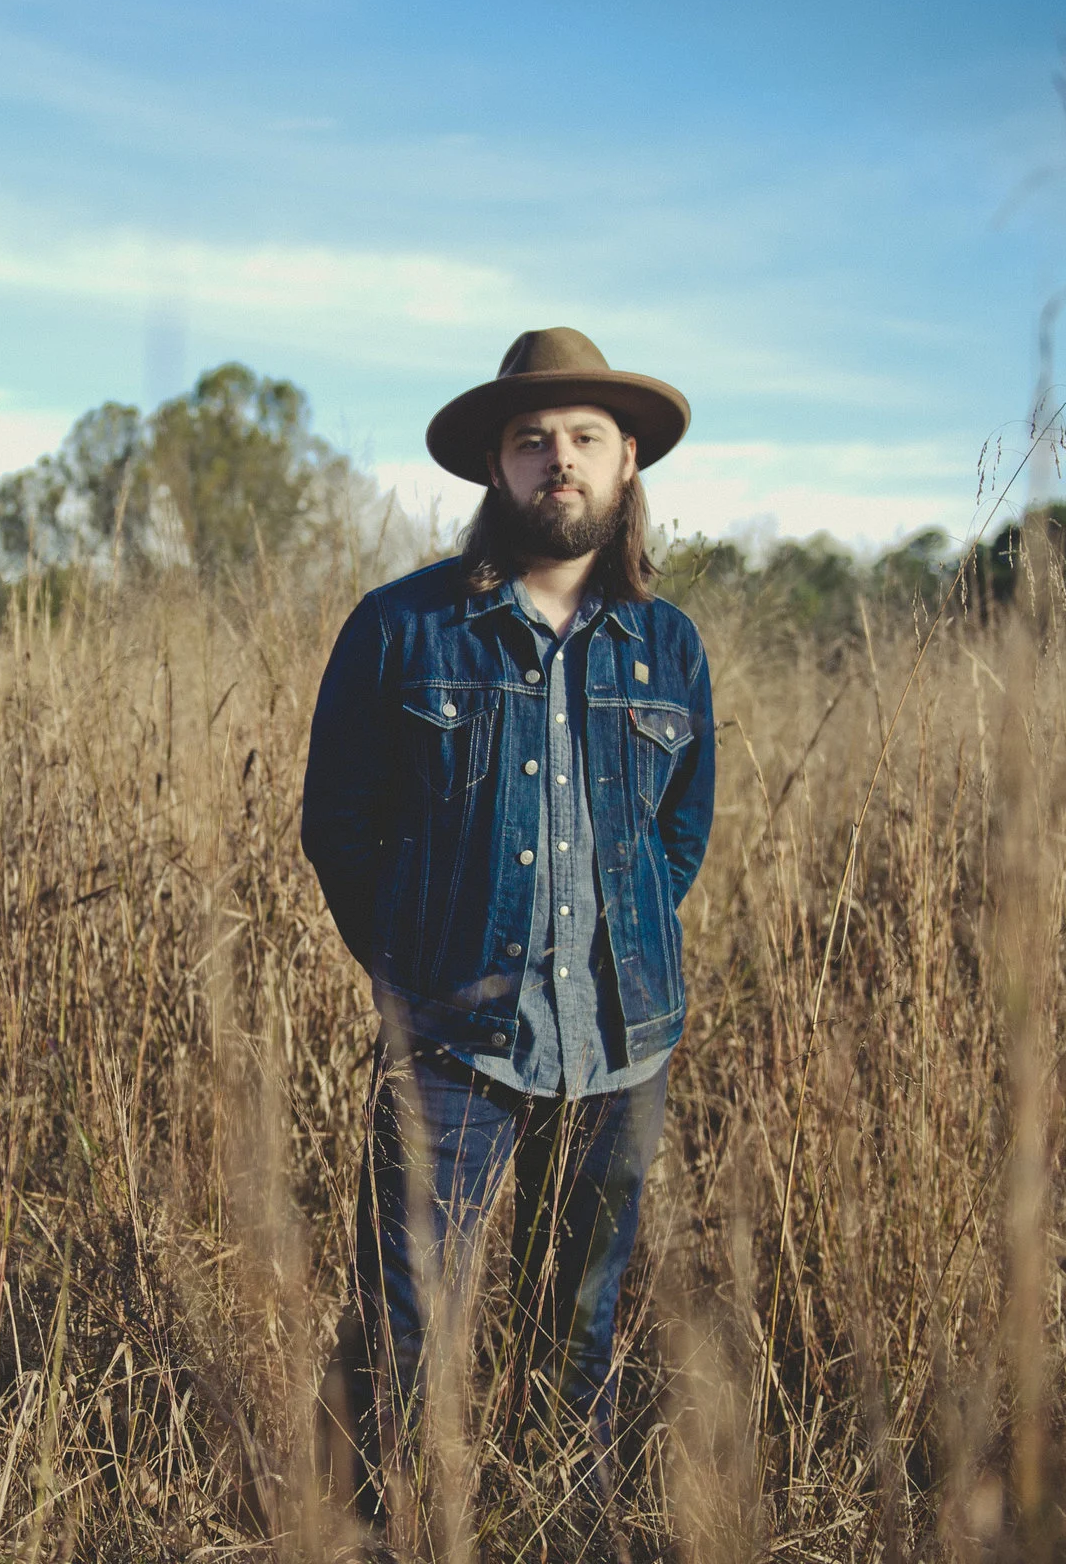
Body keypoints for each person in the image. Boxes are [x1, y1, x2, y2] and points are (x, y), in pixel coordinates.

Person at [300, 326, 715, 1523]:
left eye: (585, 437)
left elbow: (676, 835)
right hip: (451, 1043)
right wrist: (421, 966)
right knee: (403, 1326)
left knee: (575, 1333)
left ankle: (555, 1529)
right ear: (497, 464)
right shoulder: (400, 629)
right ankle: (382, 1534)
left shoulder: (667, 645)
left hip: (622, 1040)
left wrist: (616, 939)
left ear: (627, 459)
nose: (559, 460)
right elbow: (339, 824)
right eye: (532, 440)